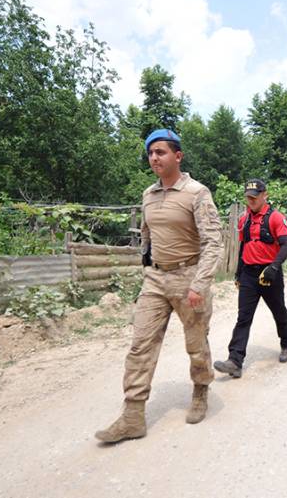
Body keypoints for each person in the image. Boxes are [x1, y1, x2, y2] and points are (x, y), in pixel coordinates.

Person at [96, 129, 223, 444]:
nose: (154, 157)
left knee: (196, 345)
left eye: (161, 152)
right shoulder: (148, 194)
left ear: (177, 156)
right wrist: (146, 267)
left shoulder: (197, 192)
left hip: (189, 277)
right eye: (151, 153)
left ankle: (200, 390)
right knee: (141, 345)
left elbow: (213, 242)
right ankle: (133, 416)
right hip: (155, 279)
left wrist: (199, 283)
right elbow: (147, 234)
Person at [212, 179, 287, 379]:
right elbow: (243, 247)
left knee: (278, 311)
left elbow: (286, 245)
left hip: (270, 274)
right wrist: (239, 273)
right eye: (248, 197)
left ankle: (286, 343)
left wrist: (273, 268)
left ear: (264, 195)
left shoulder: (275, 218)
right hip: (249, 274)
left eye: (254, 197)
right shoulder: (244, 220)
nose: (251, 201)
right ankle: (235, 361)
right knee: (243, 317)